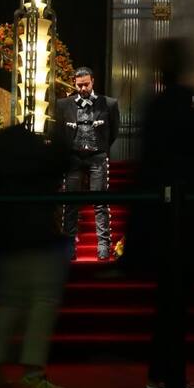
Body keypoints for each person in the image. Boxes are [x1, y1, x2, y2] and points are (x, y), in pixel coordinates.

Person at [122, 37, 194, 388]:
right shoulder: (176, 106)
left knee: (171, 304)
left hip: (163, 219)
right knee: (174, 306)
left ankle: (163, 374)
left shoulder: (157, 105)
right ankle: (167, 378)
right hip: (176, 222)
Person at [0, 124, 72, 388]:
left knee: (6, 303)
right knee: (42, 302)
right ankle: (31, 375)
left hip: (6, 240)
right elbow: (62, 160)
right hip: (38, 237)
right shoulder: (37, 161)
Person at [55, 66, 119, 260]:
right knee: (70, 203)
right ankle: (69, 247)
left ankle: (103, 245)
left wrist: (101, 148)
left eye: (86, 84)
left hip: (97, 155)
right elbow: (59, 132)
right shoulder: (63, 105)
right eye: (79, 85)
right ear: (74, 83)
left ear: (93, 82)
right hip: (73, 157)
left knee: (100, 202)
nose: (82, 88)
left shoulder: (109, 104)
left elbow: (113, 132)